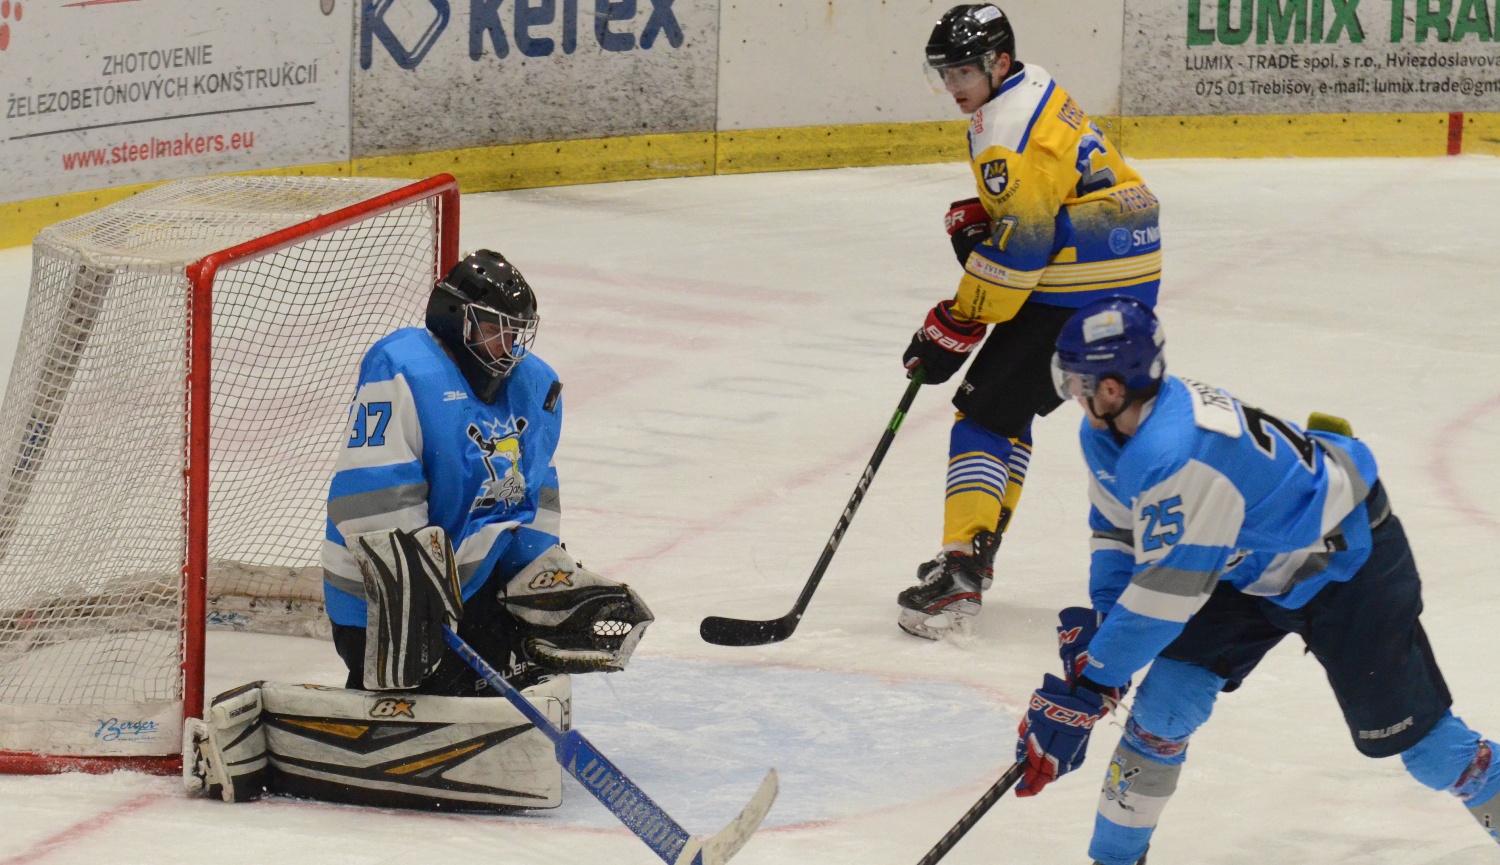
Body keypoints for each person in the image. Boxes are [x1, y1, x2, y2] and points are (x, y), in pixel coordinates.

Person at [1011, 296, 1500, 864]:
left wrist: (1096, 680)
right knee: (1163, 710)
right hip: (1242, 559)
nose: (1072, 393)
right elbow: (1117, 530)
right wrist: (1103, 627)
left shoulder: (1177, 454)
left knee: (1436, 756)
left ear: (1114, 388)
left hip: (1344, 566)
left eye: (1077, 382)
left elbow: (1166, 597)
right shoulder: (1108, 433)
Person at [185, 250, 654, 811]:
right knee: (436, 682)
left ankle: (462, 686)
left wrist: (542, 578)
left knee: (530, 659)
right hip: (387, 600)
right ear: (455, 320)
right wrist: (423, 599)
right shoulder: (404, 371)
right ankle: (368, 708)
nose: (508, 347)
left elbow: (535, 498)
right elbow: (372, 498)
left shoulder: (536, 386)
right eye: (494, 330)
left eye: (516, 333)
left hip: (472, 587)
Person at [897, 3, 1163, 640]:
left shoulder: (1006, 131)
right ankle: (976, 553)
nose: (954, 86)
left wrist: (956, 322)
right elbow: (1046, 196)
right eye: (945, 73)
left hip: (1081, 287)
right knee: (1008, 410)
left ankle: (960, 573)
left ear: (999, 63)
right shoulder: (1033, 86)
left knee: (984, 415)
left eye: (964, 71)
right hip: (1126, 268)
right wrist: (994, 217)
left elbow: (1022, 254)